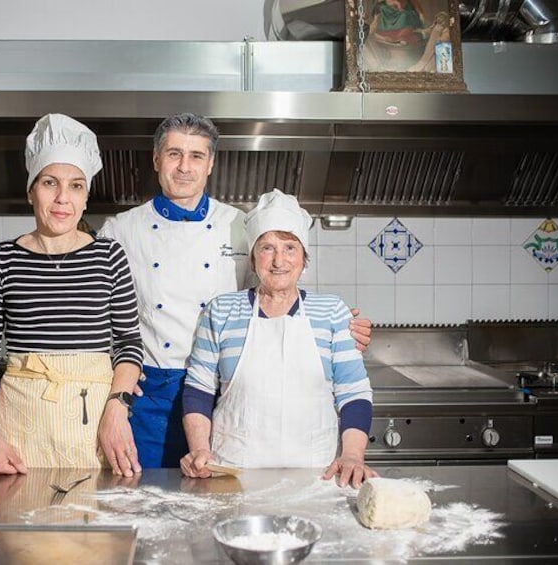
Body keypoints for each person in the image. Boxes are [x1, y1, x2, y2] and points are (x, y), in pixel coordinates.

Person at [99, 113, 373, 470]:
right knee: (146, 502)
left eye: (196, 156)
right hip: (149, 391)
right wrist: (116, 393)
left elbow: (274, 291)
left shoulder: (239, 225)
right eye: (174, 154)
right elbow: (98, 317)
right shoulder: (120, 231)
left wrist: (339, 325)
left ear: (211, 163)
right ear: (155, 159)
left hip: (223, 392)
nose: (185, 167)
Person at [0, 113, 143, 476]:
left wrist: (117, 407)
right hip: (19, 428)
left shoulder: (109, 256)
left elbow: (129, 343)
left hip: (93, 426)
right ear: (31, 189)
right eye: (50, 183)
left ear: (86, 195)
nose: (63, 198)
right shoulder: (1, 258)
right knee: (21, 530)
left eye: (76, 186)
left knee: (88, 530)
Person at [179, 189, 377, 489]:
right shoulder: (221, 311)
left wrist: (352, 455)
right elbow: (199, 389)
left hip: (315, 474)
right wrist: (199, 449)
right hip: (234, 473)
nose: (278, 260)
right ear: (254, 256)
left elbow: (354, 393)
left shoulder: (332, 311)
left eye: (289, 248)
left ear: (303, 257)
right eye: (267, 248)